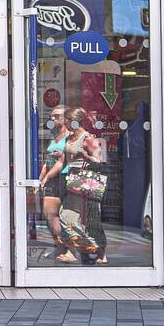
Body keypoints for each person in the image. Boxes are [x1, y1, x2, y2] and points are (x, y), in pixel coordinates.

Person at [61, 108, 108, 265]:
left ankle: (86, 252)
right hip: (74, 181)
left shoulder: (87, 138)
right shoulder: (70, 137)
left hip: (85, 183)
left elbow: (100, 160)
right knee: (74, 216)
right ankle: (85, 252)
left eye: (66, 119)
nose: (64, 122)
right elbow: (65, 158)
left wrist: (85, 156)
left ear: (74, 121)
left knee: (79, 217)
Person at [36, 105, 71, 260]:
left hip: (64, 179)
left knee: (66, 217)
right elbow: (48, 161)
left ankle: (69, 250)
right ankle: (60, 248)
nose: (53, 119)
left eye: (57, 116)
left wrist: (45, 178)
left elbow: (61, 163)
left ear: (66, 118)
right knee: (50, 215)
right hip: (52, 179)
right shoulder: (55, 136)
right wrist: (40, 179)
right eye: (52, 116)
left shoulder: (71, 137)